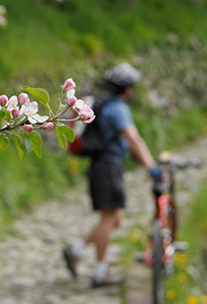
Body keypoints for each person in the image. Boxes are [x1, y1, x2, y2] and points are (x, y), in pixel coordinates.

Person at [62, 63, 163, 287]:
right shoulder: (118, 109)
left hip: (101, 166)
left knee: (115, 219)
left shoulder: (106, 105)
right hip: (108, 167)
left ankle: (76, 250)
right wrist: (151, 167)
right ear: (127, 90)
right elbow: (133, 138)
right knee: (109, 220)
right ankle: (99, 272)